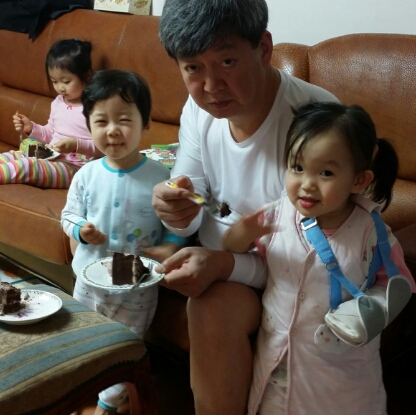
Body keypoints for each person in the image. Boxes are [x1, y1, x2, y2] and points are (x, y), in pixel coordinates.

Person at [151, 1, 337, 414]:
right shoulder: (198, 111)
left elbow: (318, 261)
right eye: (193, 68)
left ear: (264, 48)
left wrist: (224, 265)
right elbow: (189, 196)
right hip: (225, 258)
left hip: (296, 276)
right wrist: (173, 208)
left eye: (227, 61)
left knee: (212, 308)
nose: (211, 86)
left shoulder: (318, 124)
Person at [223, 101, 416, 415]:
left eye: (326, 173)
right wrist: (242, 233)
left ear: (358, 180)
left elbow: (399, 284)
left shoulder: (371, 234)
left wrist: (371, 311)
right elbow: (233, 248)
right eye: (297, 167)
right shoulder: (276, 215)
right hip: (276, 373)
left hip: (342, 382)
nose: (307, 184)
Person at [61, 69, 187, 415]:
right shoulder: (86, 175)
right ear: (89, 125)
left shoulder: (161, 178)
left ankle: (108, 403)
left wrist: (171, 245)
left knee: (126, 345)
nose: (112, 130)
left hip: (137, 285)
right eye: (101, 121)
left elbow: (178, 224)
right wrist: (80, 230)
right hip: (89, 279)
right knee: (85, 338)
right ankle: (86, 390)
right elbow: (68, 216)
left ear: (146, 123)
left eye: (124, 120)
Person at [8, 38, 98, 188]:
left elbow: (103, 146)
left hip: (76, 168)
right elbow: (50, 133)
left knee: (28, 166)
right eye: (54, 82)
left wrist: (75, 145)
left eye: (66, 81)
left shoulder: (96, 108)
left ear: (87, 75)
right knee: (14, 154)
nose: (60, 88)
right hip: (51, 156)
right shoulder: (58, 102)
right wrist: (31, 127)